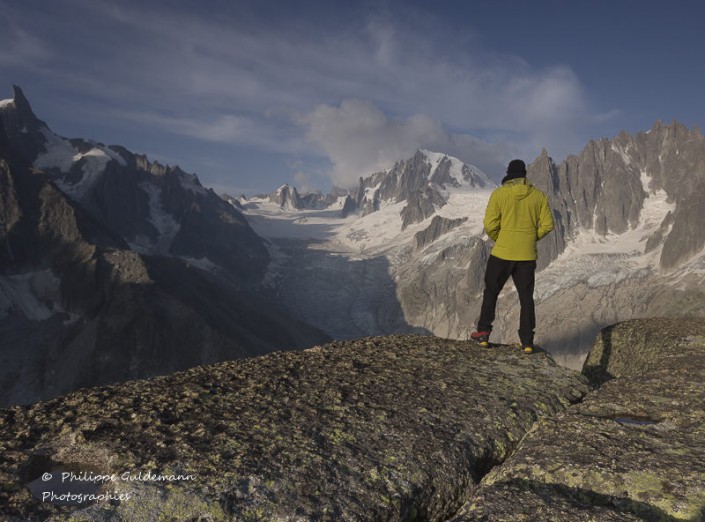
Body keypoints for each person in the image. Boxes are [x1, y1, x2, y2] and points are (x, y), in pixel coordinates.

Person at [470, 159, 554, 353]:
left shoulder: (499, 194)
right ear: (525, 174)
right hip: (526, 255)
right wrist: (530, 238)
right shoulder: (539, 196)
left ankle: (483, 333)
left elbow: (490, 224)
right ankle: (527, 342)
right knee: (526, 298)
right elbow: (548, 225)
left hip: (502, 252)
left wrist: (502, 239)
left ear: (508, 173)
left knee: (491, 291)